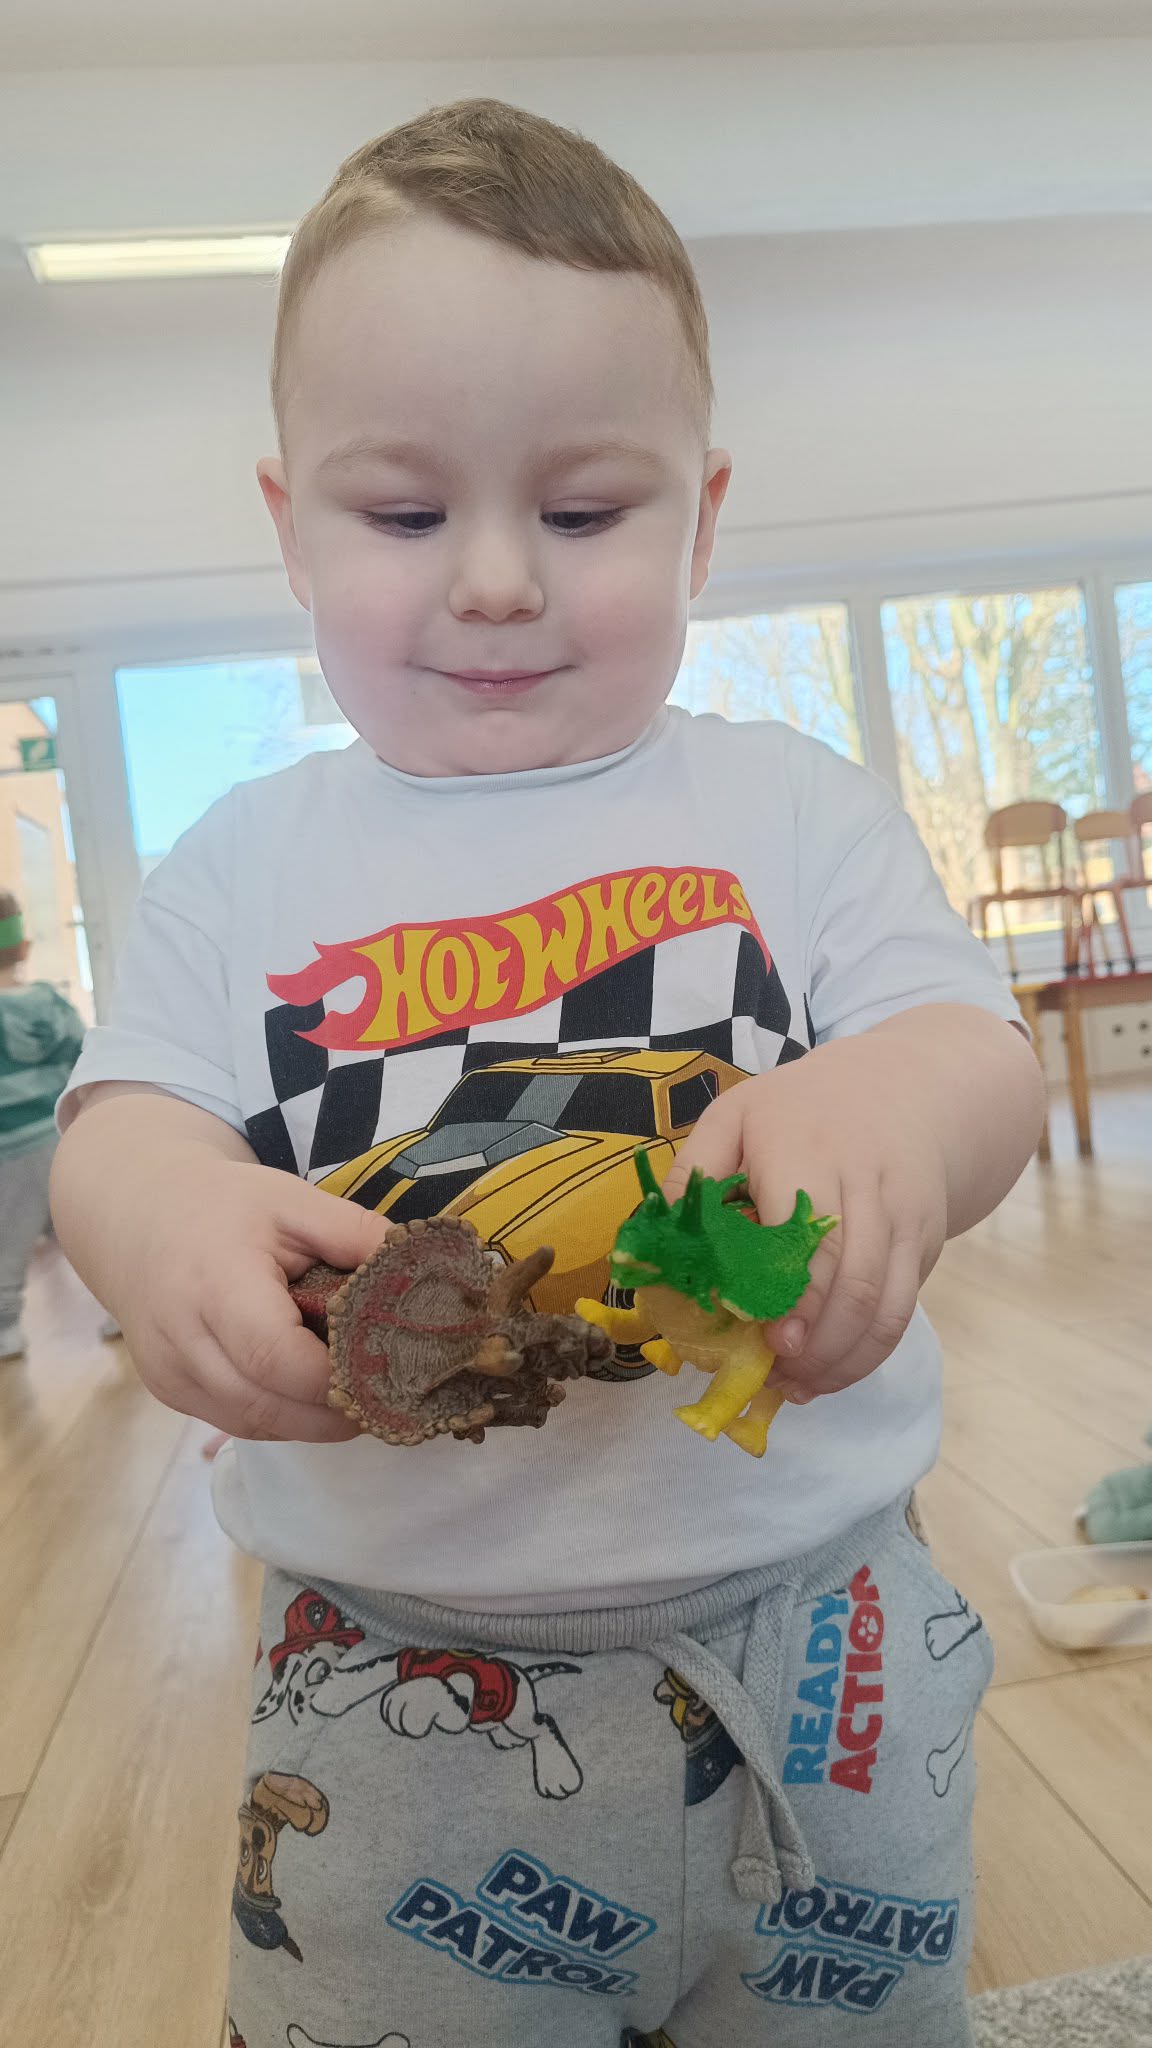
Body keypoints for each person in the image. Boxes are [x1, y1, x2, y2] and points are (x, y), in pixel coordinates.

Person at [50, 100, 1045, 2048]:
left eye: (585, 513)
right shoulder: (243, 859)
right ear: (290, 525)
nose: (498, 578)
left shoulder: (793, 808)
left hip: (822, 1644)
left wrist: (888, 1115)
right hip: (393, 1678)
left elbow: (973, 1051)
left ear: (702, 515)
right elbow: (124, 1118)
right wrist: (160, 1214)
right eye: (403, 514)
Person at [0, 887, 87, 1356]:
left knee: (8, 1239)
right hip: (58, 1135)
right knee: (81, 1230)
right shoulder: (47, 1003)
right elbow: (82, 1054)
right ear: (23, 946)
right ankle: (121, 1307)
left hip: (10, 1149)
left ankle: (5, 1327)